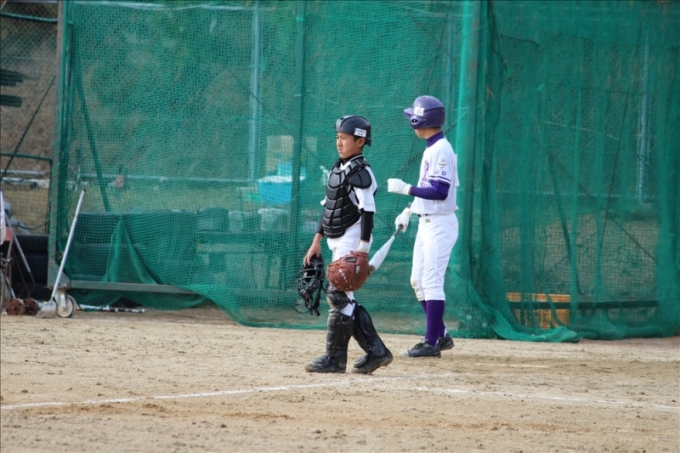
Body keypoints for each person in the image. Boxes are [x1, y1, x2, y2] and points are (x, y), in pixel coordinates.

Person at [303, 115, 393, 374]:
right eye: (337, 137)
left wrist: (363, 247)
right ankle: (376, 352)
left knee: (338, 294)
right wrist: (316, 240)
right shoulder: (338, 168)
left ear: (360, 141)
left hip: (352, 237)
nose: (339, 142)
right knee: (343, 297)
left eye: (344, 138)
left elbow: (368, 211)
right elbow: (329, 209)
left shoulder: (361, 172)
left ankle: (335, 359)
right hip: (336, 237)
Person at [387, 95, 459, 358]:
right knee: (417, 281)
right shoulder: (432, 148)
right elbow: (429, 188)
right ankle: (441, 335)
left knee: (431, 281)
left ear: (422, 120)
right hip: (427, 221)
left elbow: (440, 191)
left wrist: (406, 189)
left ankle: (431, 343)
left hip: (439, 224)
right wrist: (410, 209)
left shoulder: (441, 149)